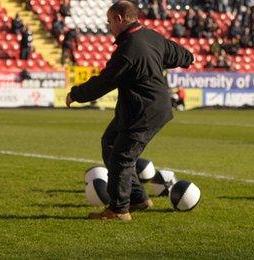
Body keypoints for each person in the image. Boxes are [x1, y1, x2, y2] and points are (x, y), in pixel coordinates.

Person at [65, 1, 194, 221]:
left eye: (109, 22)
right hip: (140, 108)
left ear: (119, 19)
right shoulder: (152, 37)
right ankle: (137, 198)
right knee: (110, 142)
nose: (108, 27)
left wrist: (76, 94)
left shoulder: (129, 49)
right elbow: (185, 56)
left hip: (144, 111)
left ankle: (119, 209)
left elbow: (104, 82)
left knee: (122, 157)